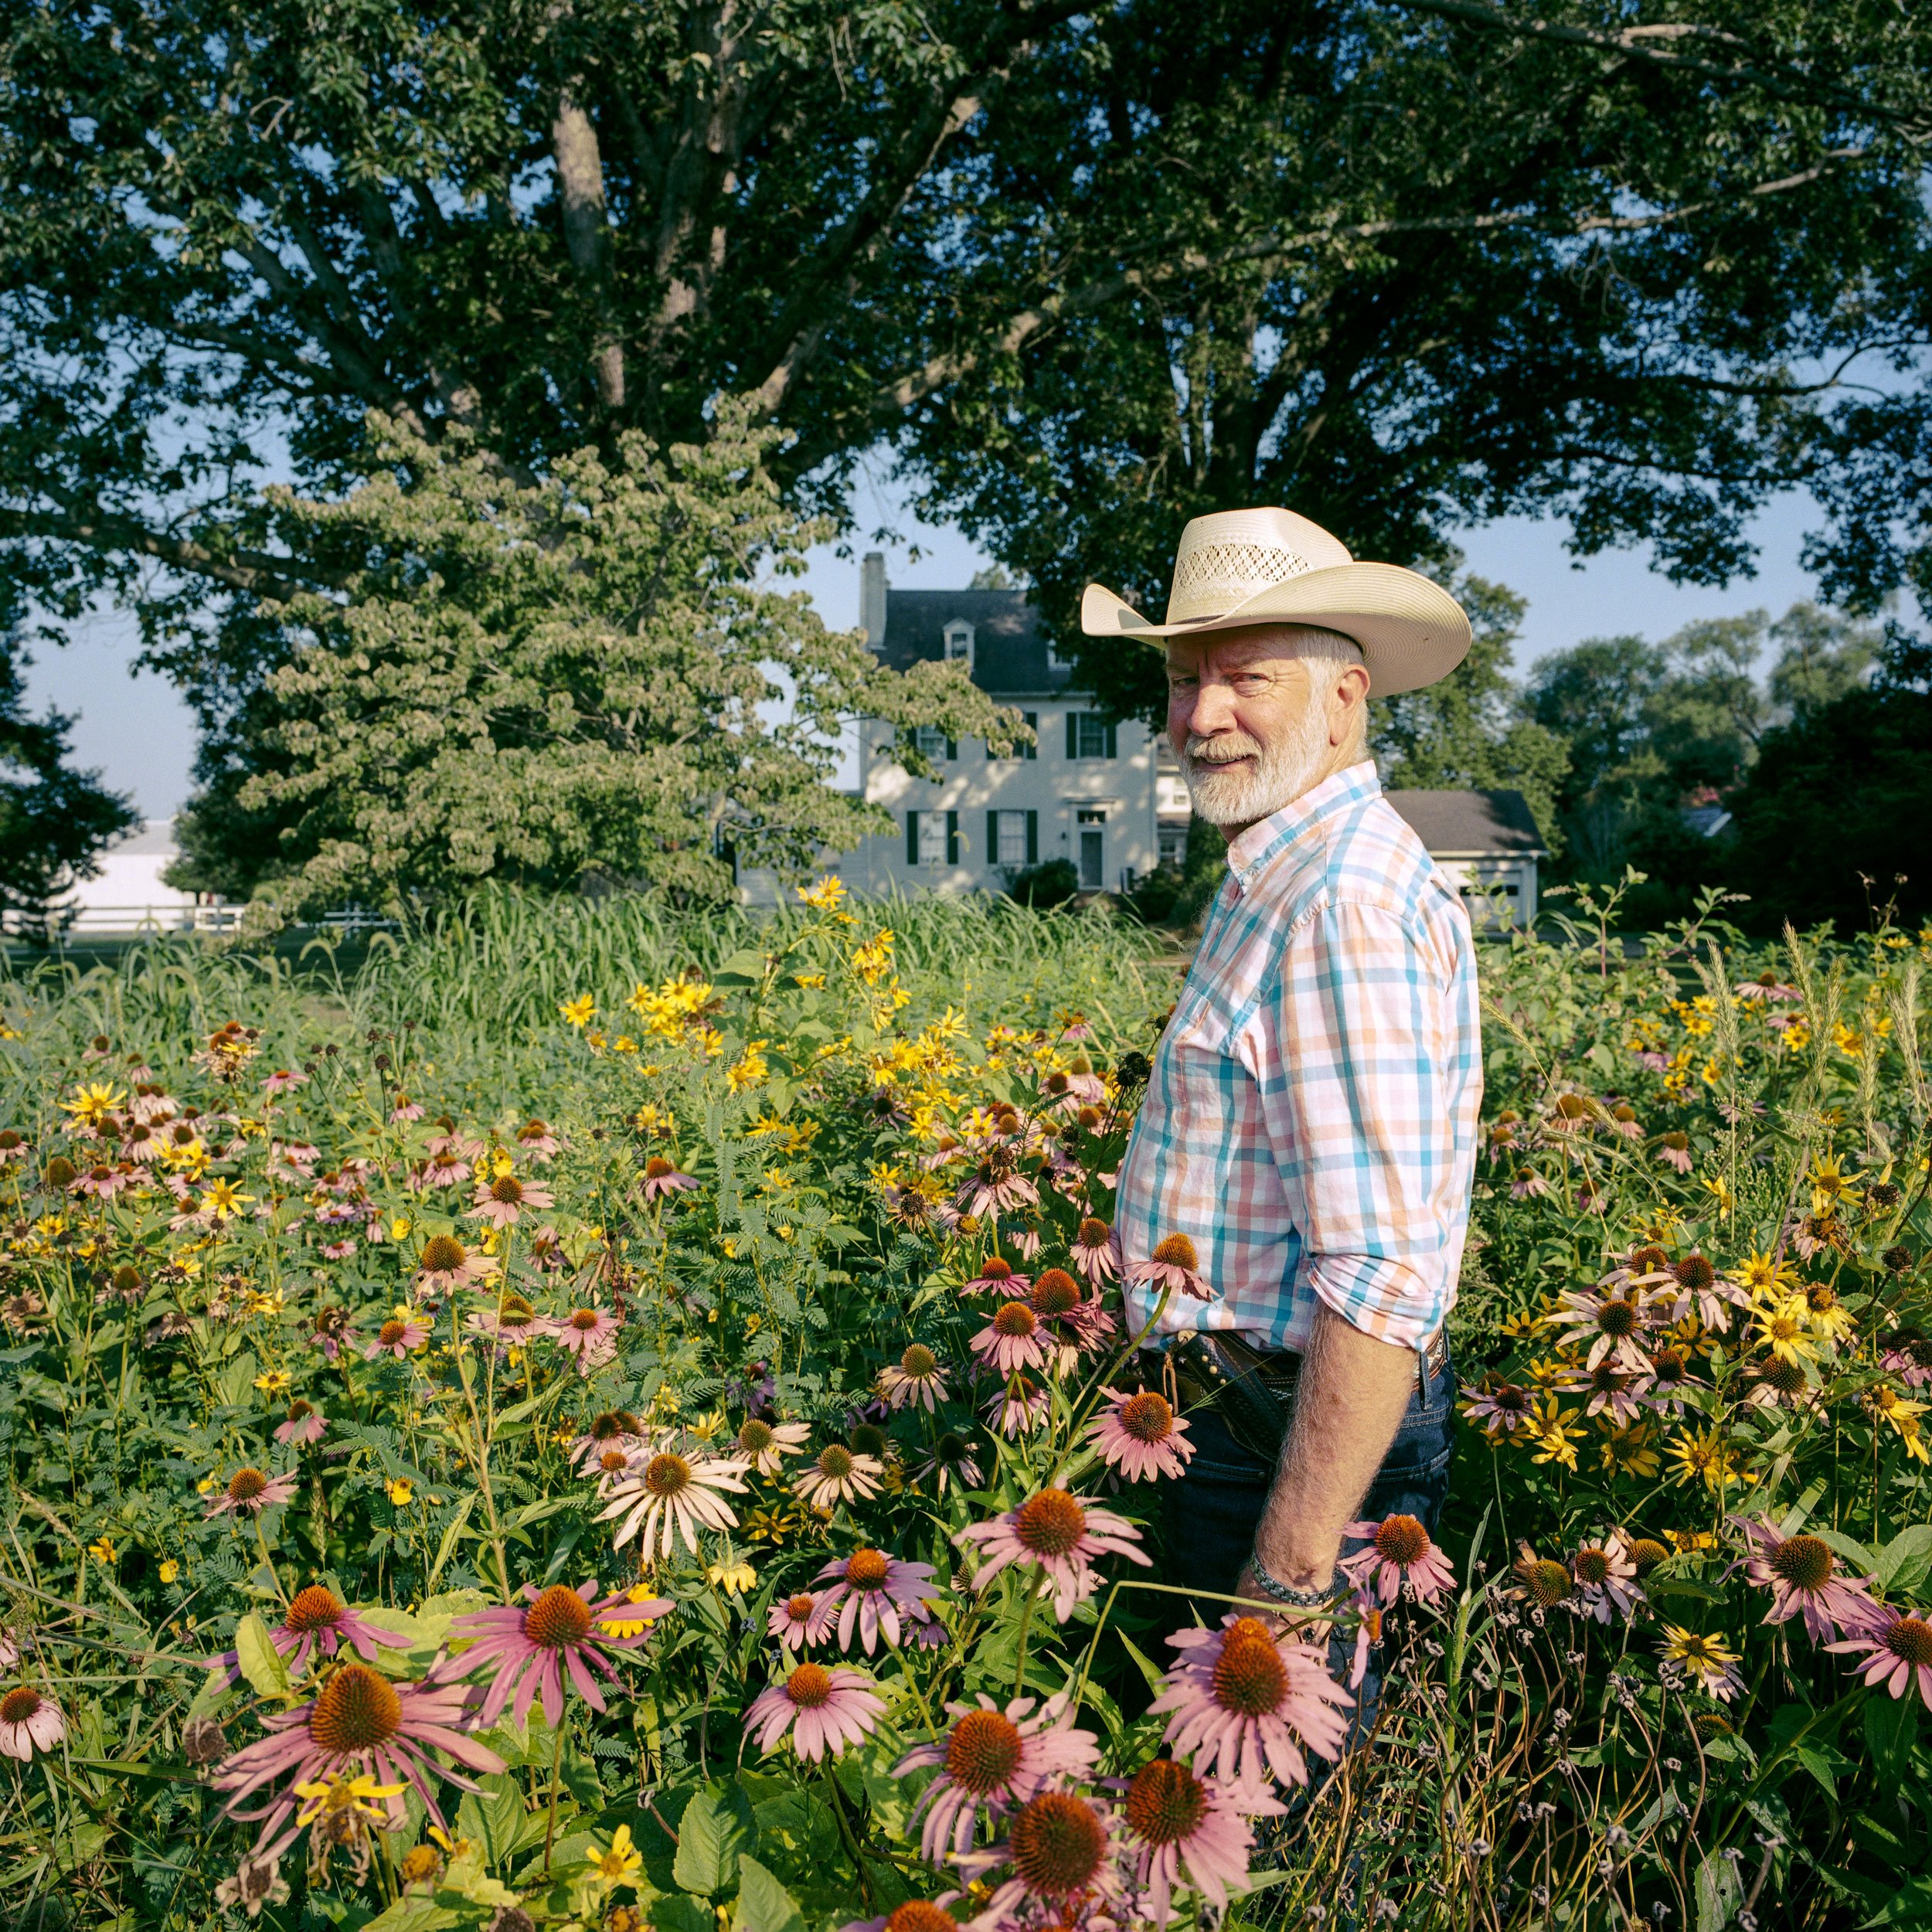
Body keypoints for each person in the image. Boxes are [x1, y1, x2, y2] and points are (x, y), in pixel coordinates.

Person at [1087, 506, 1482, 1717]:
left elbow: (1381, 1279)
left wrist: (1285, 1578)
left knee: (1256, 1830)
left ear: (1346, 699)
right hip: (1223, 1419)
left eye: (1245, 678)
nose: (1202, 717)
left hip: (1280, 1455)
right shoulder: (1285, 870)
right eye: (1184, 679)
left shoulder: (1339, 905)